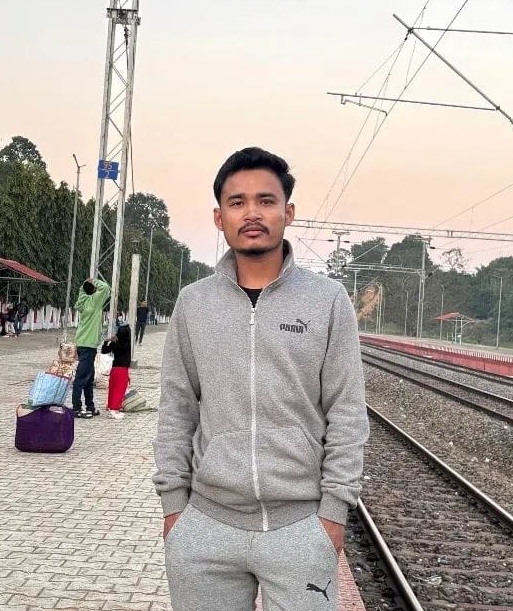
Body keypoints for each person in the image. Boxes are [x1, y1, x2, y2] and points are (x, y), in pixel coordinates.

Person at [152, 147, 369, 611]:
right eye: (237, 202)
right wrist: (174, 510)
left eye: (266, 201)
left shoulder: (328, 300)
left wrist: (333, 515)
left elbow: (348, 411)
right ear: (219, 218)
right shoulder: (194, 303)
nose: (252, 213)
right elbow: (176, 409)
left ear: (288, 212)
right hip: (204, 529)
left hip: (301, 528)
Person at [72, 277, 110, 419]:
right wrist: (94, 280)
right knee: (81, 378)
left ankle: (90, 406)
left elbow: (82, 290)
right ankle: (76, 408)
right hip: (88, 345)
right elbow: (106, 288)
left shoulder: (82, 301)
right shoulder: (94, 302)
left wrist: (85, 284)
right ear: (94, 290)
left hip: (83, 343)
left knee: (89, 378)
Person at [101, 322, 131, 420]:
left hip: (114, 369)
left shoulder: (116, 343)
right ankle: (114, 409)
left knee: (113, 389)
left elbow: (104, 351)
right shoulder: (126, 343)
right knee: (119, 390)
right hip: (122, 369)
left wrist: (106, 342)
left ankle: (111, 407)